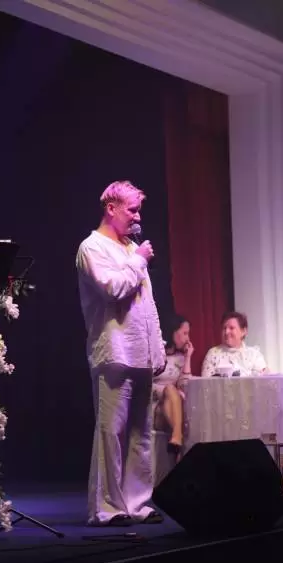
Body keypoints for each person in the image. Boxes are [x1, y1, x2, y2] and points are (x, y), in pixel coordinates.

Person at [76, 180, 166, 527]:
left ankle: (137, 503)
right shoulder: (91, 247)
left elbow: (147, 307)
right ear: (110, 209)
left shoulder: (131, 248)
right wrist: (139, 261)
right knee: (111, 432)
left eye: (139, 210)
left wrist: (156, 349)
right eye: (132, 210)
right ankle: (107, 508)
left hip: (140, 352)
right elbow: (113, 289)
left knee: (141, 433)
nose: (138, 217)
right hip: (113, 351)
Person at [152, 315, 194, 458]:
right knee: (170, 389)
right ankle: (179, 438)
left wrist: (188, 358)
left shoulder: (180, 358)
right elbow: (145, 384)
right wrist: (165, 391)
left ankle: (177, 440)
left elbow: (185, 385)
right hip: (153, 406)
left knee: (172, 397)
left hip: (171, 406)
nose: (188, 338)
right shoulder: (155, 356)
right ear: (173, 332)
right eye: (185, 333)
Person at [201, 311, 268, 377]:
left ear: (243, 331)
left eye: (231, 328)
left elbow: (263, 379)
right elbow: (206, 382)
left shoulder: (254, 355)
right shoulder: (213, 354)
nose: (226, 332)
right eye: (224, 328)